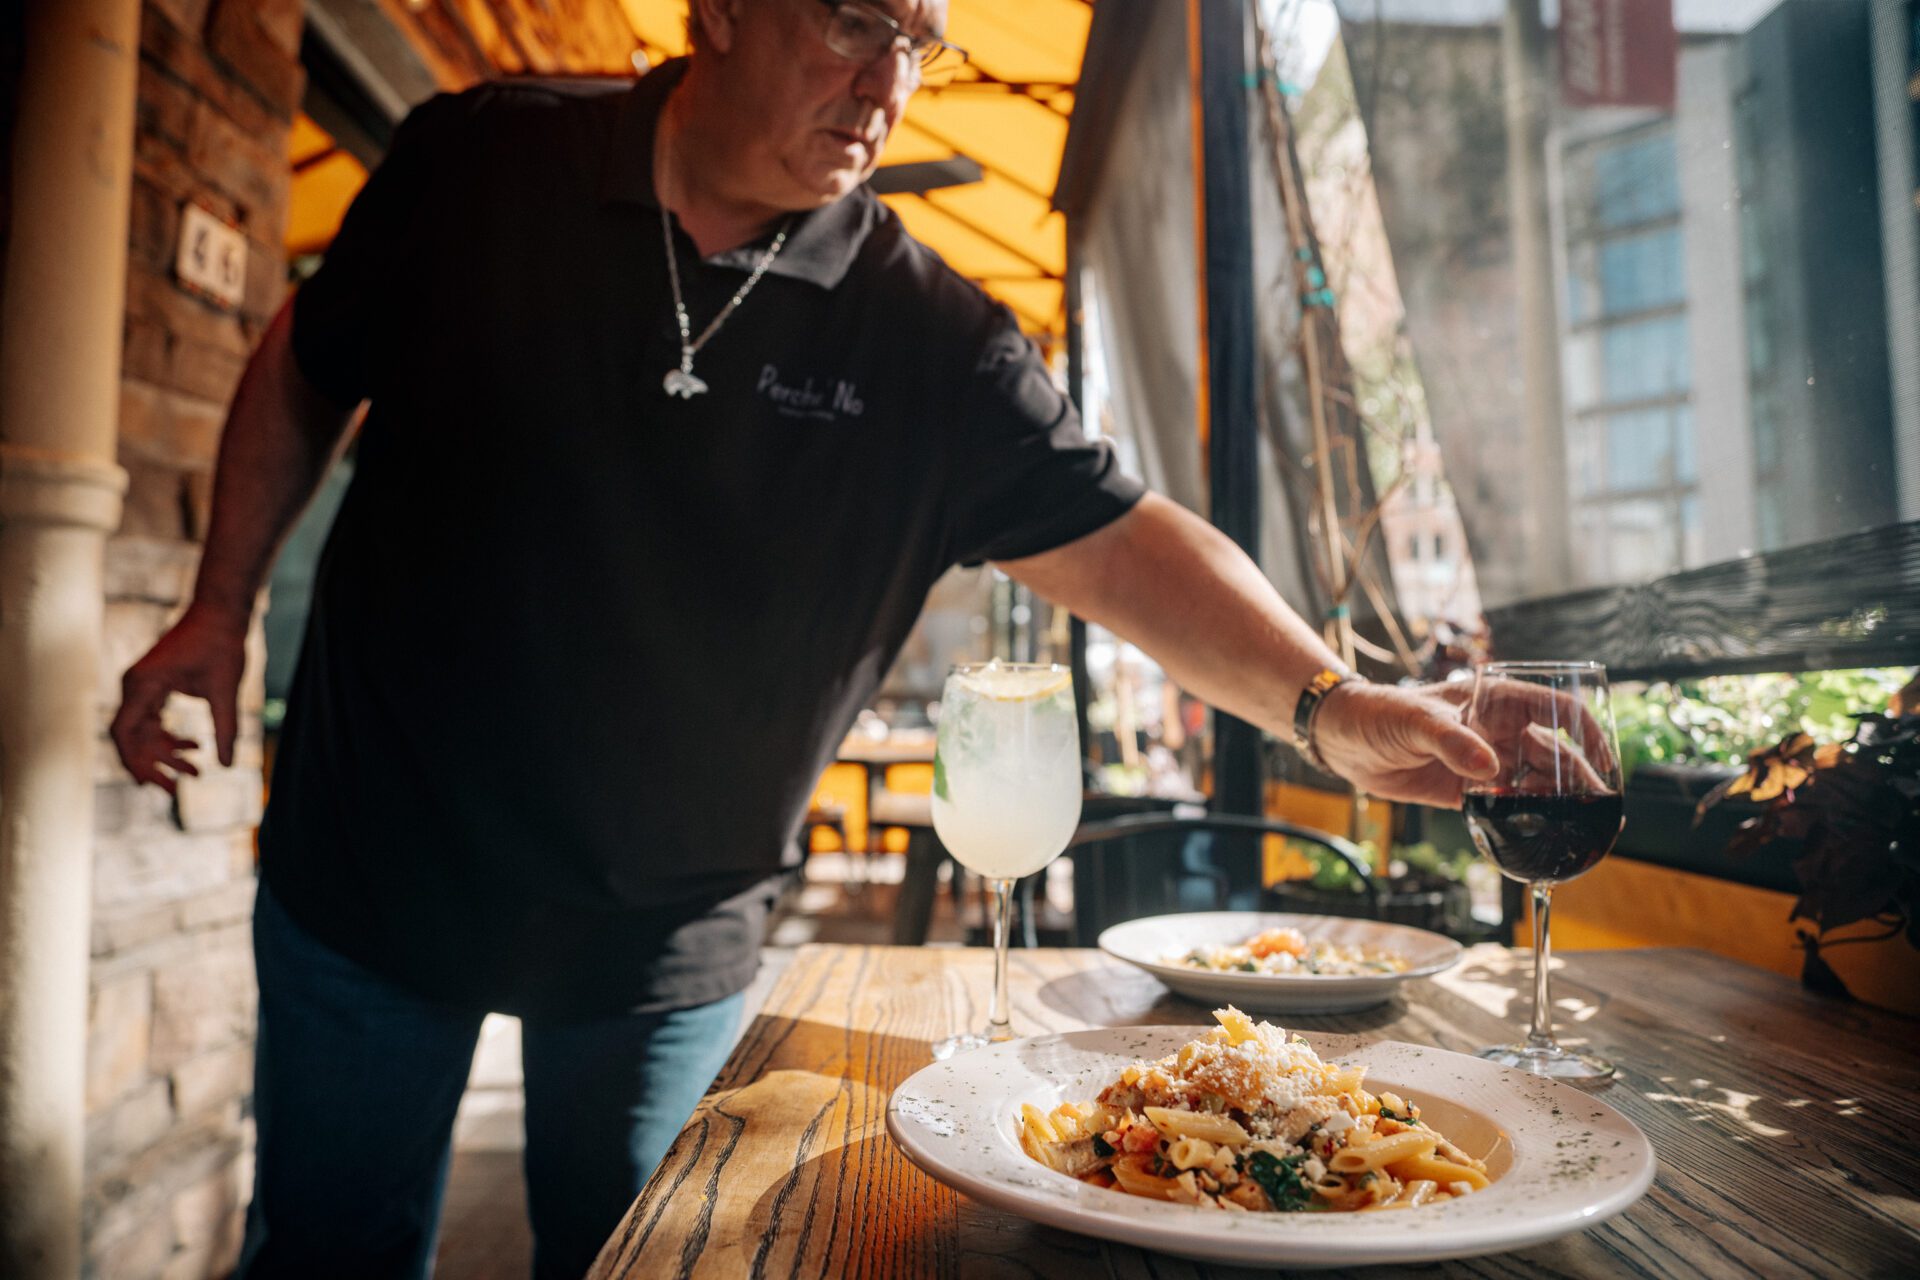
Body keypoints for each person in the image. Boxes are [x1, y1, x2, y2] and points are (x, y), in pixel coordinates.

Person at [110, 1, 1500, 1276]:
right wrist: (222, 605)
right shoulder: (479, 157)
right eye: (852, 21)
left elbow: (1130, 542)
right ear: (718, 10)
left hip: (666, 931)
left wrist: (1333, 705)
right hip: (373, 870)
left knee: (638, 1263)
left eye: (920, 43)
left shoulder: (936, 341)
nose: (888, 82)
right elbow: (306, 361)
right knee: (325, 1257)